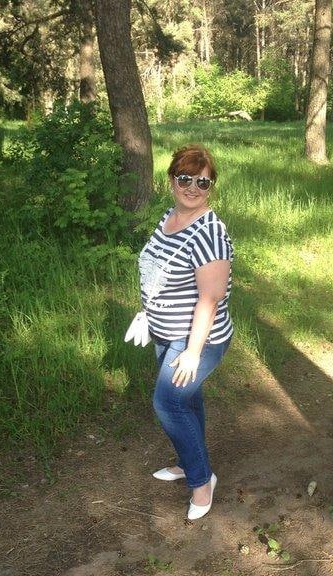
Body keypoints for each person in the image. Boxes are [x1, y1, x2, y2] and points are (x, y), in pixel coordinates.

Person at [138, 144, 233, 520]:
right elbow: (157, 270)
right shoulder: (169, 218)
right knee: (188, 402)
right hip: (165, 331)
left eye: (202, 182)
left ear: (211, 187)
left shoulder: (210, 233)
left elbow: (210, 297)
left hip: (197, 339)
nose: (193, 187)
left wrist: (193, 352)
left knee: (169, 403)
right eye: (185, 179)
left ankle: (201, 481)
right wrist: (147, 313)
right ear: (171, 180)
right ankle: (188, 461)